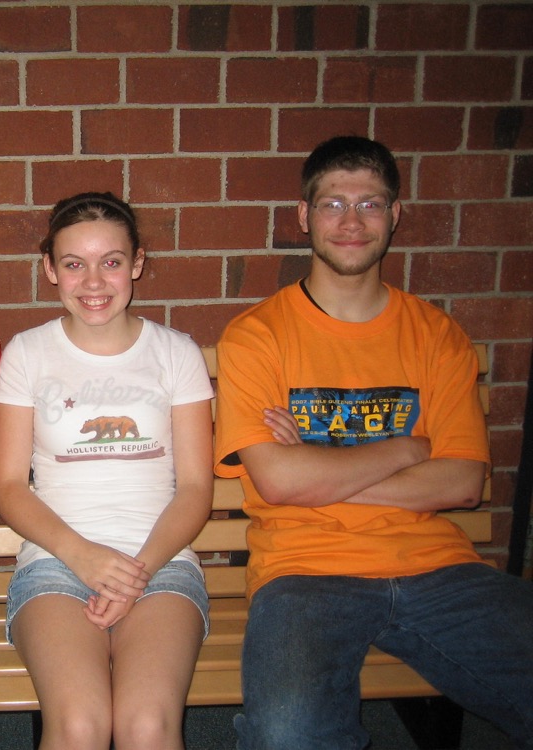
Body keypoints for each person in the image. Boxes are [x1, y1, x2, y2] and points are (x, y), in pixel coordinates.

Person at [214, 135, 533, 749]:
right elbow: (278, 482)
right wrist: (407, 449)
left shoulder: (437, 335)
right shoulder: (257, 336)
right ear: (304, 216)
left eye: (371, 204)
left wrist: (315, 467)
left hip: (438, 568)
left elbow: (462, 483)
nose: (352, 221)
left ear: (395, 215)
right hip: (304, 573)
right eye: (333, 204)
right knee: (289, 735)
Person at [0, 192, 214, 750]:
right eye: (74, 263)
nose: (93, 281)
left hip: (160, 563)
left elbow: (195, 489)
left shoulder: (176, 352)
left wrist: (137, 571)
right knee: (79, 727)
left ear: (137, 263)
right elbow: (10, 488)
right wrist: (84, 555)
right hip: (56, 564)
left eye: (111, 261)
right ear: (50, 269)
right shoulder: (27, 353)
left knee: (147, 727)